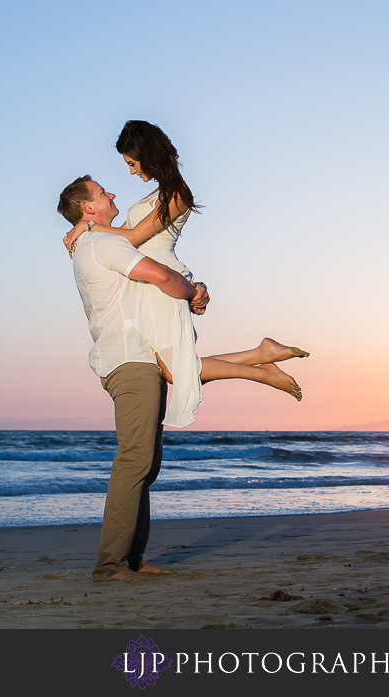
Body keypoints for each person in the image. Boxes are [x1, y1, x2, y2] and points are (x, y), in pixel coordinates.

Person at [58, 175, 306, 581]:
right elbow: (160, 276)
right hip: (128, 362)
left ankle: (133, 559)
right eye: (103, 194)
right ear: (89, 206)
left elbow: (149, 266)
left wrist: (190, 288)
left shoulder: (98, 238)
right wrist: (192, 292)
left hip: (140, 357)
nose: (112, 193)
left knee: (147, 464)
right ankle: (109, 566)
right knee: (134, 461)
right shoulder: (102, 244)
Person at [62, 121, 305, 426]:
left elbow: (134, 237)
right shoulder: (155, 194)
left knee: (174, 370)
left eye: (133, 163)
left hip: (163, 283)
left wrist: (87, 226)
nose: (132, 172)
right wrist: (86, 228)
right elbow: (121, 235)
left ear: (148, 154)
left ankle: (261, 369)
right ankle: (261, 355)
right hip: (150, 284)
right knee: (174, 366)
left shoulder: (178, 193)